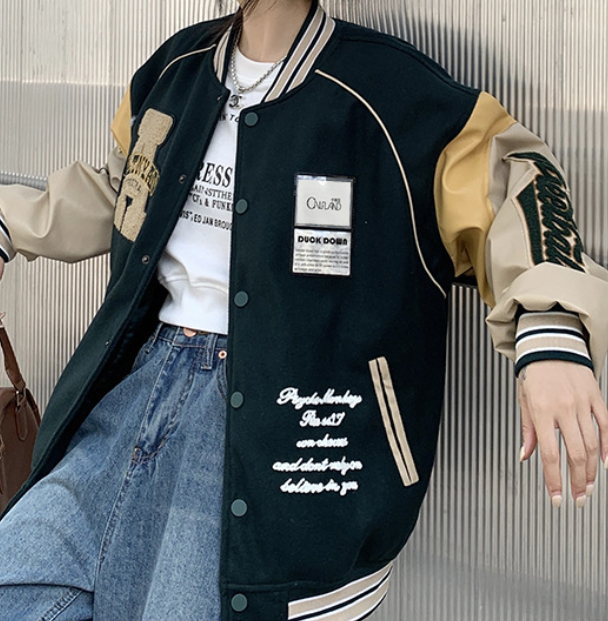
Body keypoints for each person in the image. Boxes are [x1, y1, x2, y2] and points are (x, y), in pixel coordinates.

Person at [0, 0, 607, 619]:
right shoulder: (175, 70)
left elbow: (519, 183)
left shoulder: (392, 93)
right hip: (132, 398)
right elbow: (125, 189)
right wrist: (8, 222)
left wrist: (550, 328)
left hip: (274, 428)